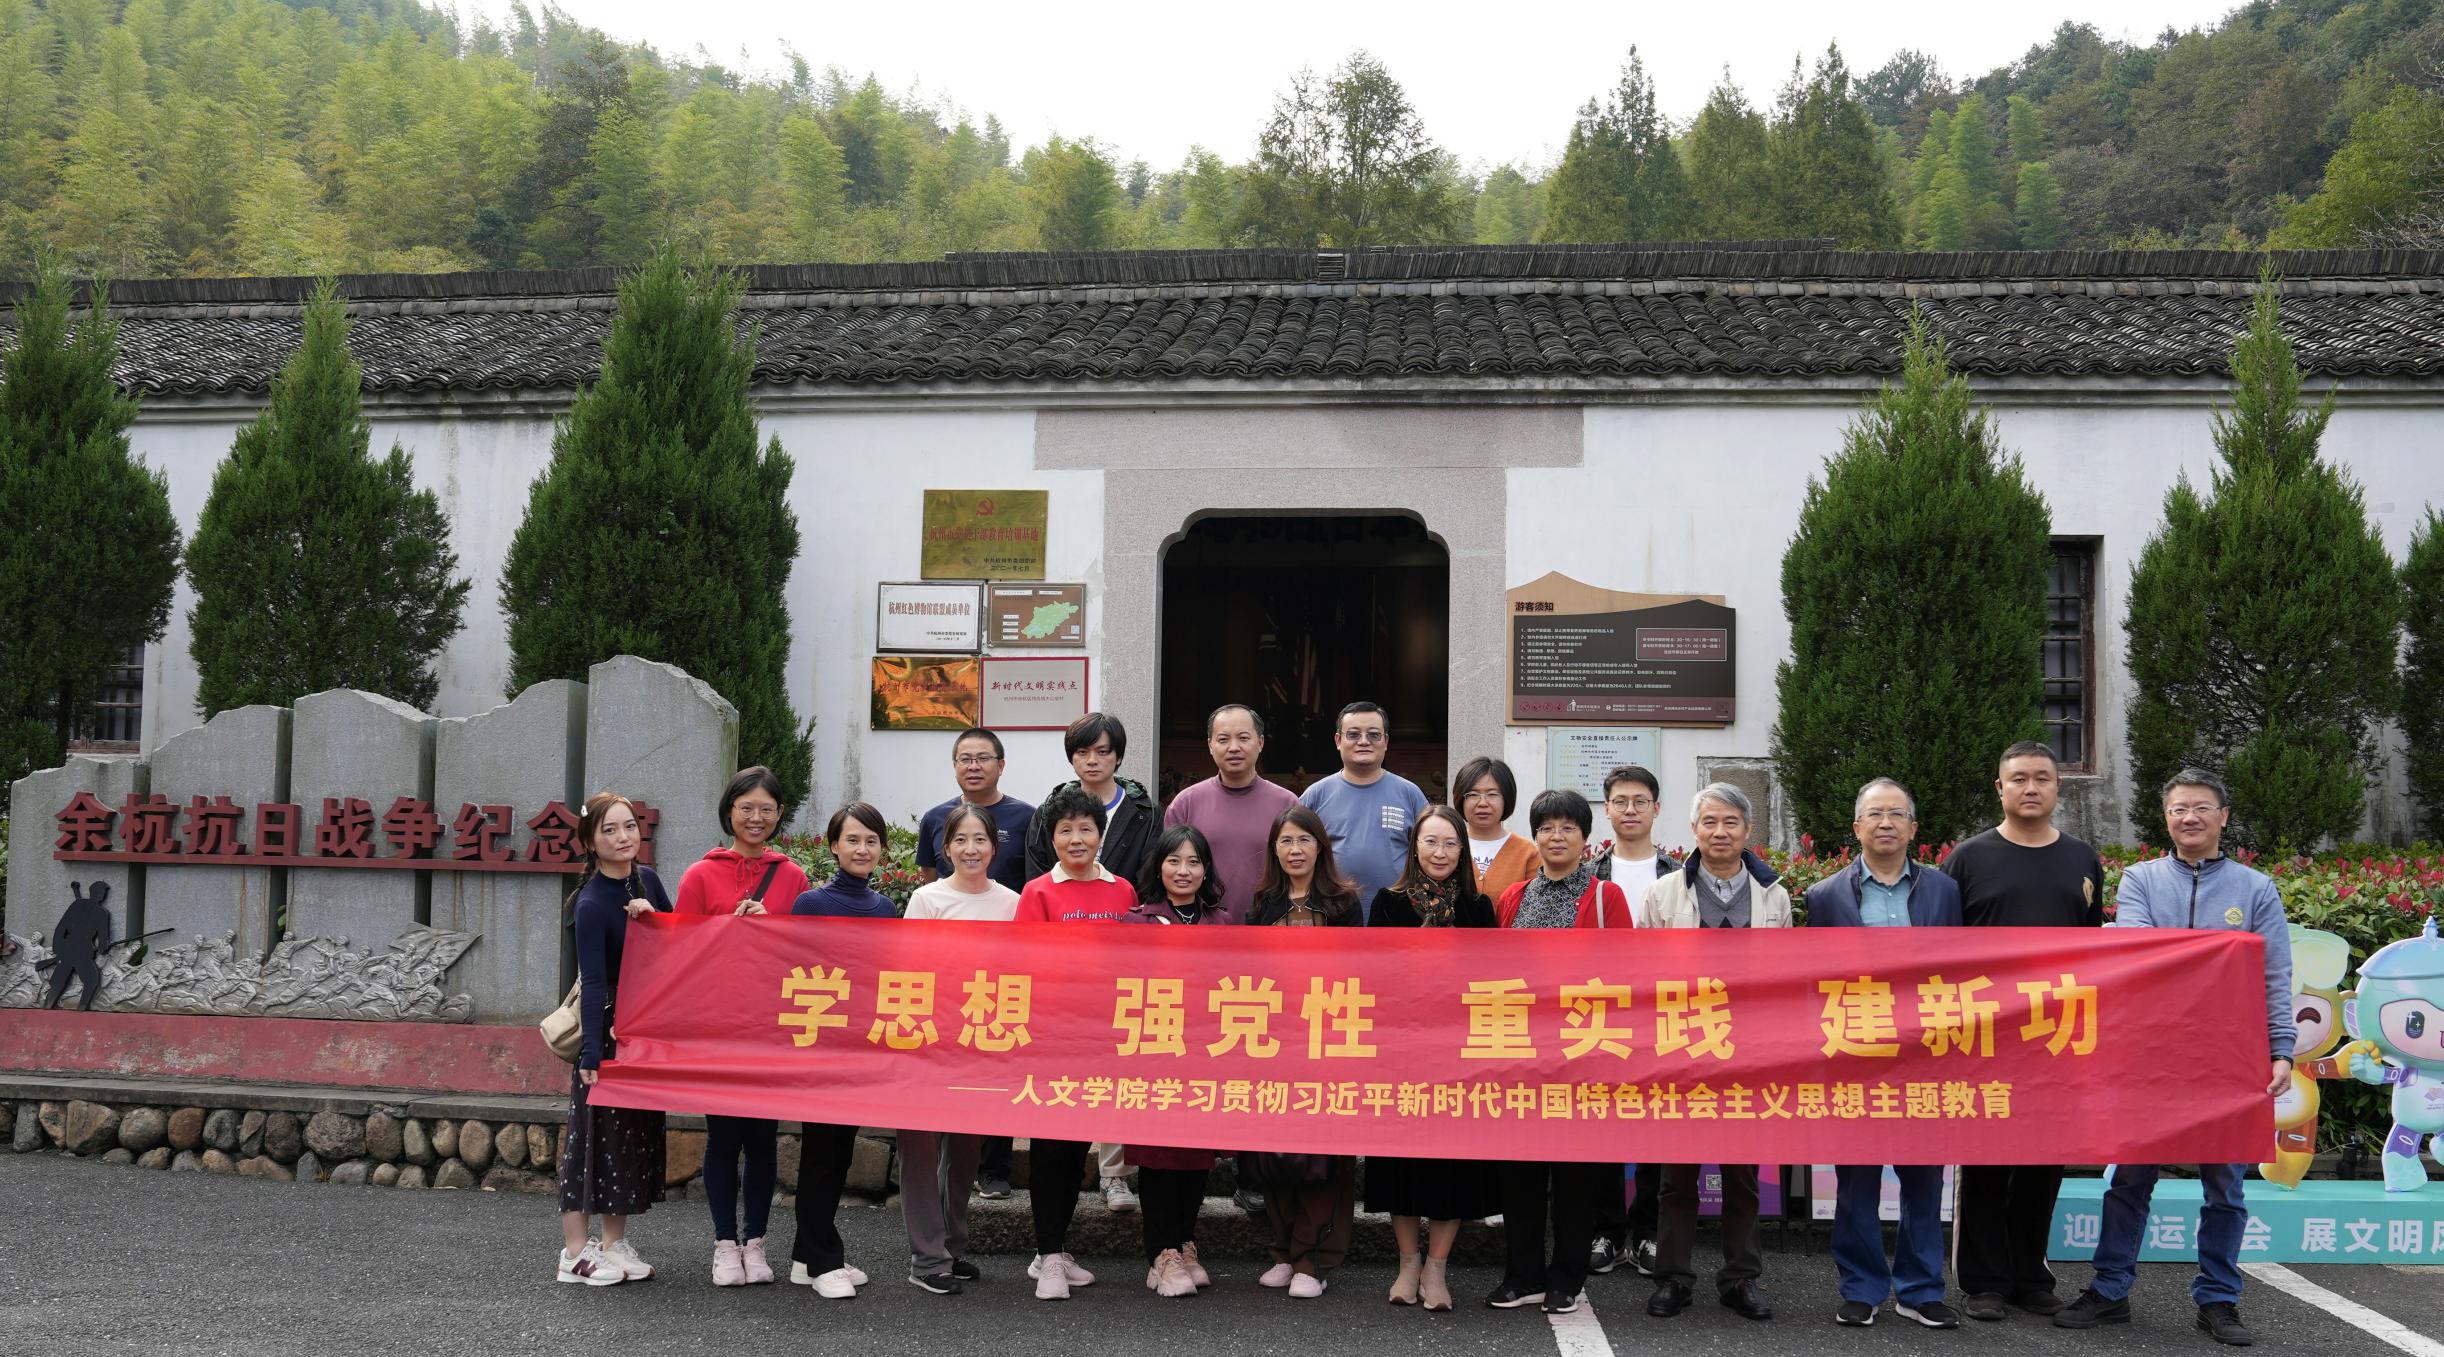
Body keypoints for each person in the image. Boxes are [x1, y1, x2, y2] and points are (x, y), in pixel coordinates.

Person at [2056, 768, 2293, 1347]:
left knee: (2225, 1188)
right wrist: (2223, 954)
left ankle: (2219, 1299)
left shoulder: (2255, 889)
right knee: (2130, 1178)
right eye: (2179, 808)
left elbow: (2274, 974)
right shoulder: (2141, 879)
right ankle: (2110, 1289)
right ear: (2166, 818)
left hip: (2230, 1060)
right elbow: (2141, 955)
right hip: (2149, 1056)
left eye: (2202, 807)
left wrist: (2281, 1049)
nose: (2190, 817)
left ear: (2223, 817)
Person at [1944, 740, 2106, 1323]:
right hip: (1984, 1036)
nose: (2031, 787)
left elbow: (2093, 951)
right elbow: (1939, 953)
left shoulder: (2082, 858)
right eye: (2018, 778)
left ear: (2058, 787)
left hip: (2057, 1037)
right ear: (2000, 788)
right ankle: (1984, 1281)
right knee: (1986, 1163)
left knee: (2044, 1164)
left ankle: (2030, 1277)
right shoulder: (1968, 858)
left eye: (2042, 777)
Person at [1802, 778, 1964, 1329]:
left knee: (1924, 1178)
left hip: (1927, 1053)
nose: (1886, 823)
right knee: (1856, 1180)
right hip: (1856, 1052)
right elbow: (1814, 981)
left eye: (1897, 814)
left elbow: (1963, 969)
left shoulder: (1945, 891)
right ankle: (1862, 1287)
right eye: (1875, 814)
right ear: (1857, 828)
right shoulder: (1825, 897)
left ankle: (1920, 1289)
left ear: (1914, 828)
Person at [1639, 781, 1789, 1322]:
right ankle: (1673, 1279)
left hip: (1748, 1054)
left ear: (1748, 830)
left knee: (1742, 1176)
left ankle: (1740, 1279)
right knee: (1676, 1177)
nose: (1719, 832)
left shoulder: (1774, 896)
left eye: (1730, 822)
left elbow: (1786, 982)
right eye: (1709, 822)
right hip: (1682, 1048)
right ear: (1693, 829)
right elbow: (1640, 978)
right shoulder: (1664, 894)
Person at [1484, 789, 1634, 1316]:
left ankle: (1567, 1277)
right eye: (1546, 827)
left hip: (1581, 1053)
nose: (1556, 836)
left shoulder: (1605, 897)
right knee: (1519, 1174)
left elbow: (1624, 974)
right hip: (1520, 1053)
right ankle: (1522, 1275)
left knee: (1575, 1175)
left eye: (1568, 827)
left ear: (1585, 837)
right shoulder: (1513, 897)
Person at [672, 767, 809, 1289]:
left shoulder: (792, 877)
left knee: (763, 1138)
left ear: (779, 814)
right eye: (746, 807)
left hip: (772, 1026)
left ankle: (756, 1242)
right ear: (729, 810)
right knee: (724, 1137)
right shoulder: (699, 875)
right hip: (718, 1027)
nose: (756, 817)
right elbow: (680, 950)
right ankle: (724, 1244)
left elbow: (808, 953)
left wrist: (772, 928)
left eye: (766, 809)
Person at [1364, 805, 1499, 1312]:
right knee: (1400, 1164)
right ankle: (1407, 1263)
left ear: (1462, 851)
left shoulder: (1478, 909)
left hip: (1460, 1056)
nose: (1440, 853)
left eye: (1450, 844)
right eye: (1430, 842)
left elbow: (1492, 984)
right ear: (1414, 847)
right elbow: (1374, 980)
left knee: (1452, 1166)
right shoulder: (1389, 904)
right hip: (1401, 1054)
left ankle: (1437, 1268)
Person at [1024, 711, 1159, 1214]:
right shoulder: (1051, 810)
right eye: (1083, 751)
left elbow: (1149, 878)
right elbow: (1037, 871)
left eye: (1103, 751)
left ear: (1118, 756)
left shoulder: (1143, 811)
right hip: (1062, 984)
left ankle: (1115, 1174)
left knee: (1117, 1073)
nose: (1093, 760)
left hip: (1117, 968)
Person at [1012, 784, 1140, 1300]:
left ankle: (1056, 1249)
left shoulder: (1122, 891)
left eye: (1086, 828)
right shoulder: (1038, 892)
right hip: (1054, 1041)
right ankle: (1047, 1255)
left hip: (1104, 1042)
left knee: (1079, 1151)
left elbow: (1135, 963)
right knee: (1051, 1151)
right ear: (1052, 838)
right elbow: (1024, 967)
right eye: (1065, 830)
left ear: (1100, 835)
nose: (1076, 838)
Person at [899, 804, 1021, 1296]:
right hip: (927, 1042)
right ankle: (926, 1258)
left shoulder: (1012, 903)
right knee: (921, 1151)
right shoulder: (926, 899)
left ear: (994, 846)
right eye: (961, 840)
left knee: (966, 1152)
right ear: (945, 847)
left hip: (982, 1044)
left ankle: (952, 1245)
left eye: (980, 839)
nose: (971, 849)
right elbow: (908, 973)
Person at [555, 792, 671, 1286]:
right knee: (589, 1139)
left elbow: (680, 944)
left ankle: (612, 1244)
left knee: (625, 1140)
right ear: (589, 841)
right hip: (607, 1035)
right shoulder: (590, 902)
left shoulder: (650, 881)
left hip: (645, 1030)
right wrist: (590, 1054)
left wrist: (655, 920)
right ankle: (573, 1253)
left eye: (629, 827)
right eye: (609, 830)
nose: (623, 837)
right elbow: (595, 981)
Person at [913, 726, 1034, 1200]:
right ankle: (941, 1183)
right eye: (965, 758)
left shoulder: (1026, 817)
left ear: (1000, 765)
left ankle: (994, 1169)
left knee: (995, 1083)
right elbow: (928, 880)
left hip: (998, 991)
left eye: (983, 757)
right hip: (943, 999)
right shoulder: (934, 822)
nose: (974, 766)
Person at [1247, 804, 1362, 1298]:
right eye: (1286, 841)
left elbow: (1358, 973)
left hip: (1327, 1041)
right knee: (1274, 1151)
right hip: (1273, 1042)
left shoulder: (1343, 903)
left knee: (1321, 1154)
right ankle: (1283, 1250)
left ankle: (1314, 1258)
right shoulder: (1263, 903)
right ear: (1274, 849)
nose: (1295, 850)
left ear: (1321, 847)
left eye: (1304, 840)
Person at [784, 802, 897, 1300]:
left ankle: (805, 1257)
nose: (862, 849)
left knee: (840, 1153)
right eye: (852, 839)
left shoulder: (885, 909)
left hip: (860, 1048)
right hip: (819, 1048)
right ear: (833, 846)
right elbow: (794, 974)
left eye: (871, 840)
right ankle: (824, 1259)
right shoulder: (810, 904)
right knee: (820, 1155)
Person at [1123, 825, 1229, 1298]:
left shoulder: (1222, 923)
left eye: (1193, 862)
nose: (1183, 871)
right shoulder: (1137, 922)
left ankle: (1185, 1242)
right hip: (1155, 1056)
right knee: (1158, 1157)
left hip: (1206, 1058)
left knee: (1195, 1156)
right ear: (1158, 867)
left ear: (1206, 869)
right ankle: (1161, 1253)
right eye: (1174, 861)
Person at [1588, 764, 1672, 1281]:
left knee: (1655, 1126)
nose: (1630, 810)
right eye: (1620, 801)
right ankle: (1605, 1230)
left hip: (1662, 1012)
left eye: (1640, 801)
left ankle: (1646, 1232)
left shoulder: (1678, 874)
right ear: (1607, 810)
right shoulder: (1591, 874)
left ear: (1656, 809)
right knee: (1602, 1125)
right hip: (1604, 1013)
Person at [1165, 704, 1300, 924]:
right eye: (1223, 739)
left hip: (1271, 927)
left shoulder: (1287, 804)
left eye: (1243, 738)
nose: (1234, 747)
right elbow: (1168, 873)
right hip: (1200, 928)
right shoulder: (1186, 803)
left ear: (1261, 742)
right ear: (1210, 746)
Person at [1298, 701, 1429, 921]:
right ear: (1338, 741)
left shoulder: (1410, 794)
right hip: (1331, 916)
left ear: (1386, 741)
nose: (1364, 741)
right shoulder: (1315, 795)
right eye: (1353, 734)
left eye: (1374, 735)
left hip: (1396, 917)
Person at [1452, 756, 1537, 899]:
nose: (1482, 803)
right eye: (1473, 794)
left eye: (1492, 794)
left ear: (1506, 798)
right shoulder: (1447, 846)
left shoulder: (1528, 853)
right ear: (1461, 799)